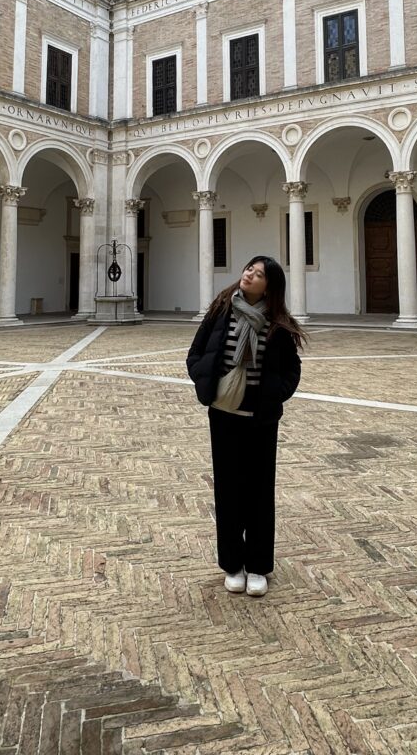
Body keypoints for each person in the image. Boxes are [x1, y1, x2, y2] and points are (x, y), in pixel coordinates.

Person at [187, 255, 305, 597]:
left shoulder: (277, 323)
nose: (249, 275)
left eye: (258, 274)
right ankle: (232, 564)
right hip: (223, 414)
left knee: (258, 492)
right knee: (228, 491)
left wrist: (276, 395)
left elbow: (292, 368)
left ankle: (258, 566)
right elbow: (195, 353)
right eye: (248, 270)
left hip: (260, 418)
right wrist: (206, 382)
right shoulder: (221, 310)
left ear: (270, 285)